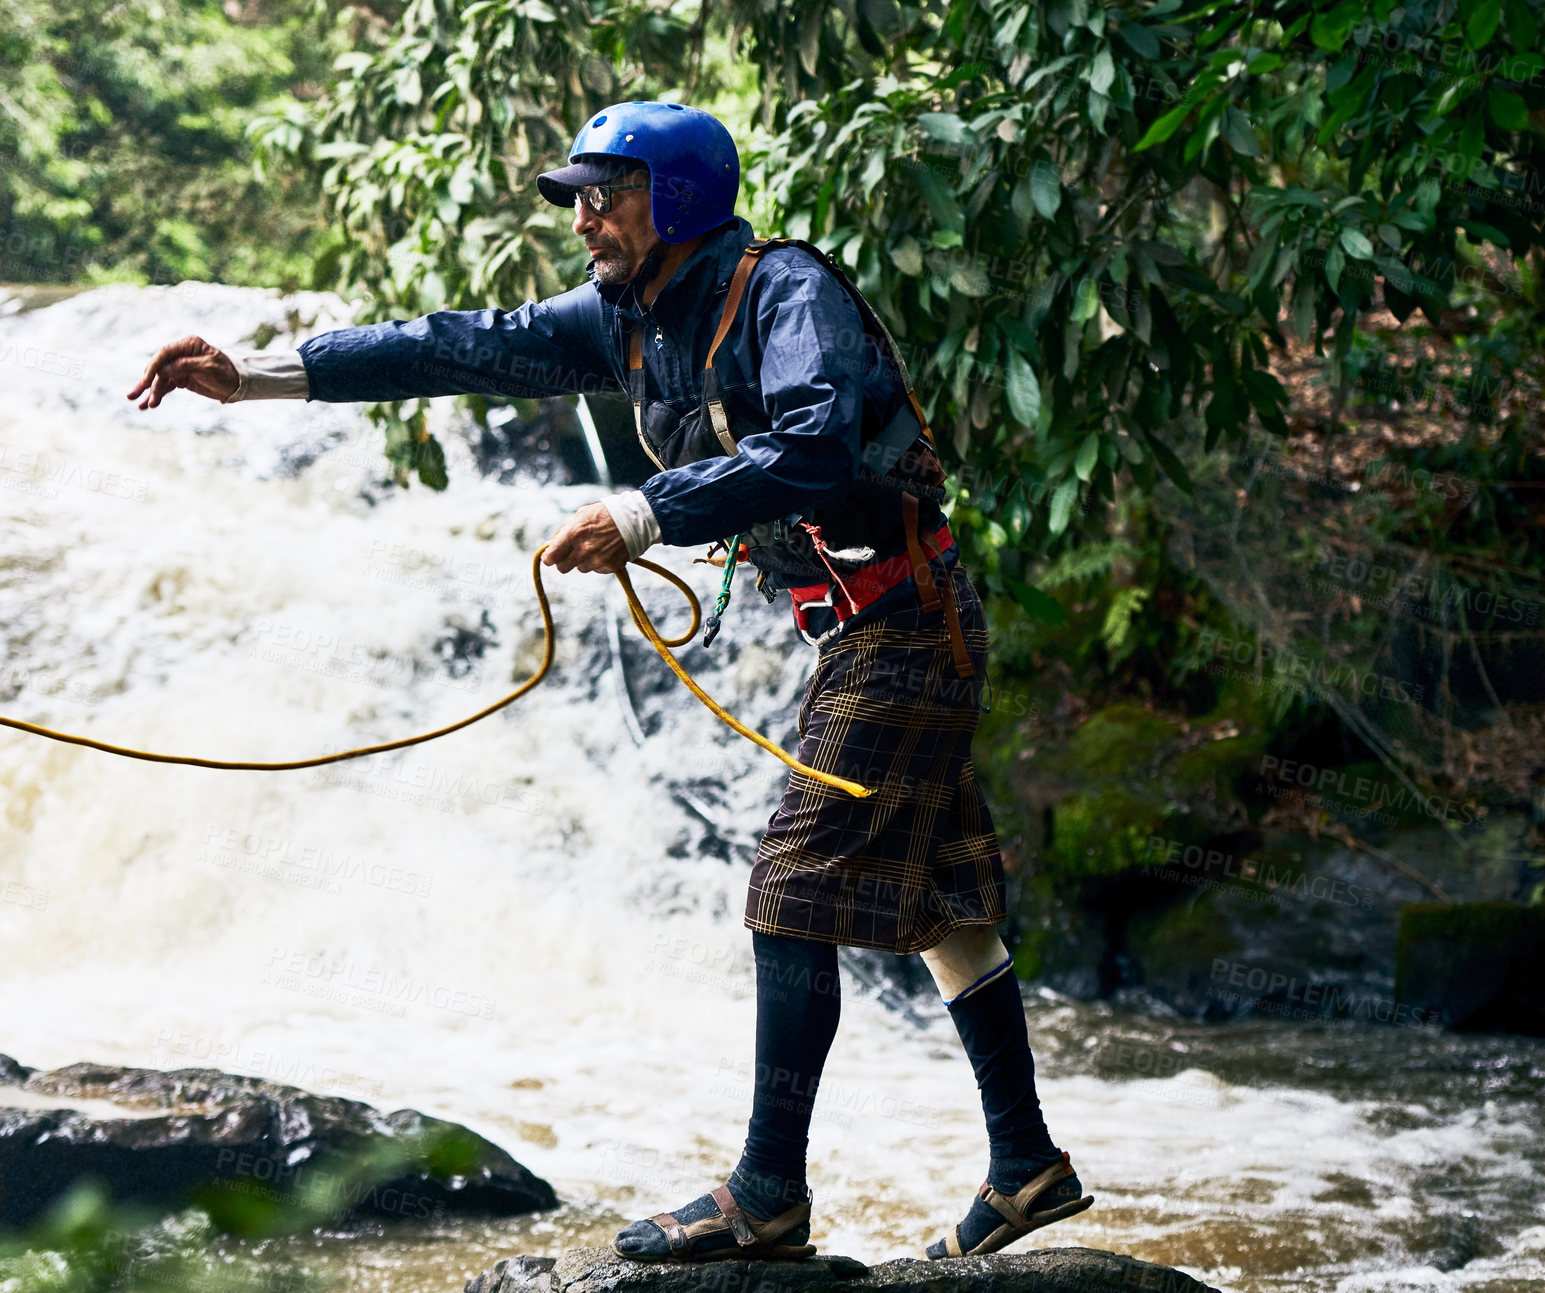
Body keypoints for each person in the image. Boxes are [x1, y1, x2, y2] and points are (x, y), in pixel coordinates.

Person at [127, 100, 1093, 1262]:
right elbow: (461, 345)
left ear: (676, 199)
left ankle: (767, 1196)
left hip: (905, 628)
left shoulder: (786, 294)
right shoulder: (628, 316)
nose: (583, 217)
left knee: (791, 893)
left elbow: (821, 443)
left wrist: (642, 512)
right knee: (942, 910)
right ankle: (1028, 1164)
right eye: (578, 196)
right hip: (864, 629)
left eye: (606, 193)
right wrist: (264, 377)